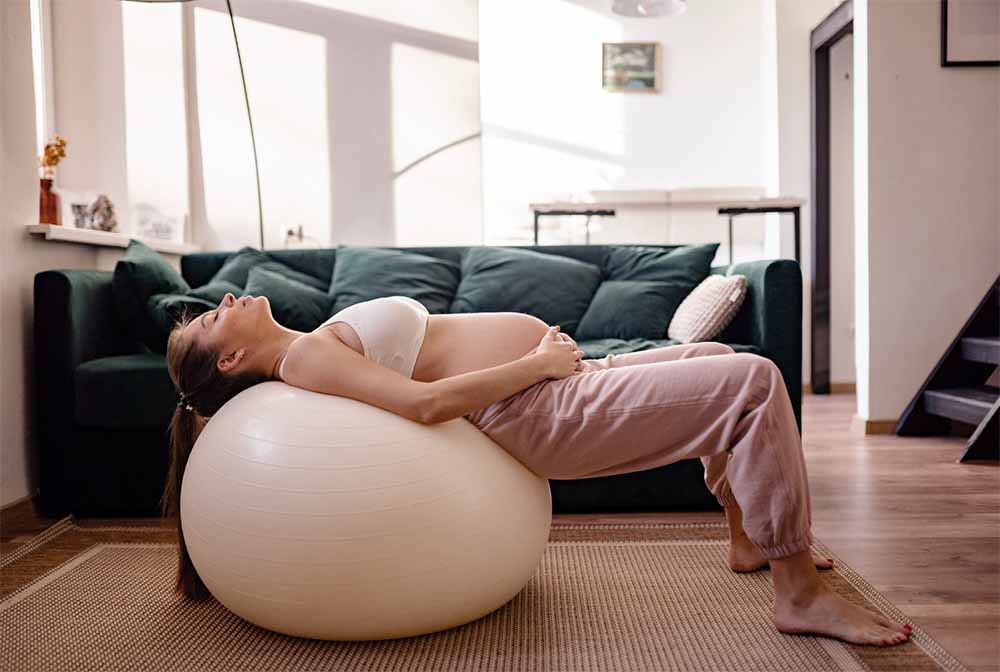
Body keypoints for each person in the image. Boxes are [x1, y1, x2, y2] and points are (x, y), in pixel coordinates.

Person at [162, 292, 913, 647]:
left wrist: (546, 364)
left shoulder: (310, 344)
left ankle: (749, 536)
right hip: (536, 409)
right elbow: (426, 406)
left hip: (553, 383)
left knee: (718, 360)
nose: (223, 300)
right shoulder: (304, 356)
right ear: (229, 359)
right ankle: (799, 594)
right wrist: (537, 362)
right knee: (753, 381)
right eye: (210, 319)